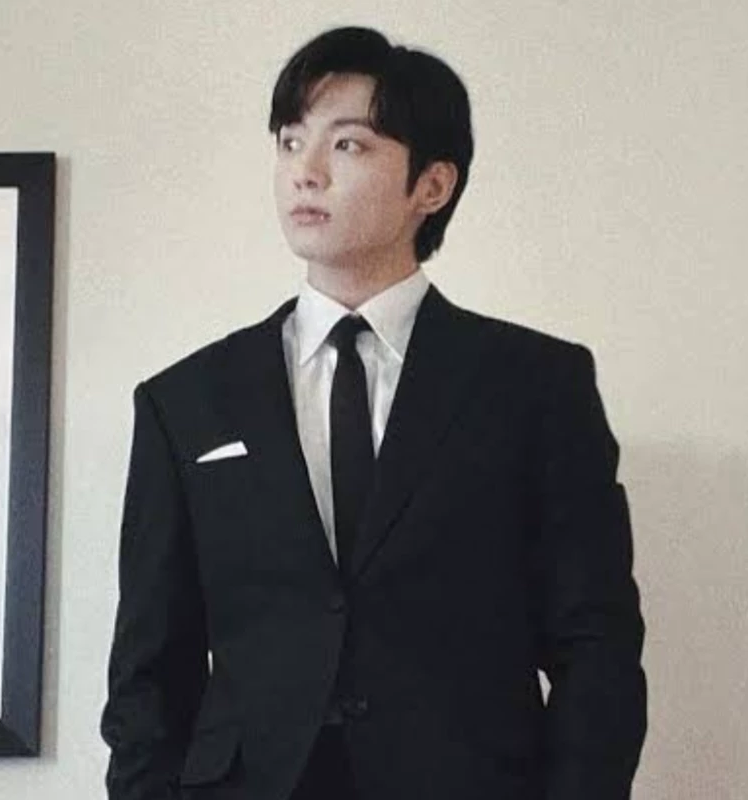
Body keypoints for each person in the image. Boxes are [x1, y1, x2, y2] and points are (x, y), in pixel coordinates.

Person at [101, 26, 647, 800]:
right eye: (291, 142)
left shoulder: (536, 385)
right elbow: (149, 670)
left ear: (432, 185)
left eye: (348, 145)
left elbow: (596, 643)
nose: (307, 171)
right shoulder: (186, 400)